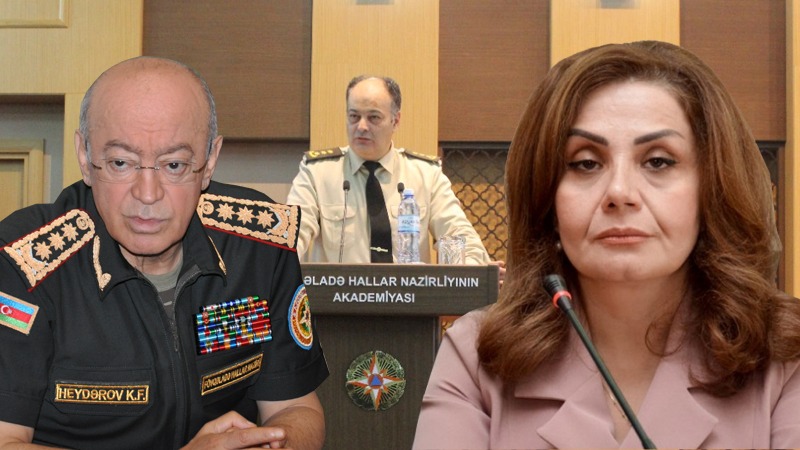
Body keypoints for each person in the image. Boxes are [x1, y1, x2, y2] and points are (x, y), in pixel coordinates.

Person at [413, 40, 800, 449]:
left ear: (713, 188)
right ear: (547, 199)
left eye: (658, 161)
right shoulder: (476, 356)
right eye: (586, 163)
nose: (619, 192)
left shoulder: (786, 356)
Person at [0, 57, 328, 449]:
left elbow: (296, 407)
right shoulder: (26, 266)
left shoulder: (256, 247)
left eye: (174, 165)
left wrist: (275, 442)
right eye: (121, 163)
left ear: (209, 162)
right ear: (85, 158)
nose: (148, 194)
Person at [287, 75, 497, 268]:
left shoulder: (426, 175)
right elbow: (292, 236)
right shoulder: (316, 173)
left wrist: (478, 273)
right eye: (354, 116)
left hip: (410, 296)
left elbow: (459, 234)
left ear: (395, 121)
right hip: (339, 296)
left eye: (373, 118)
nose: (361, 126)